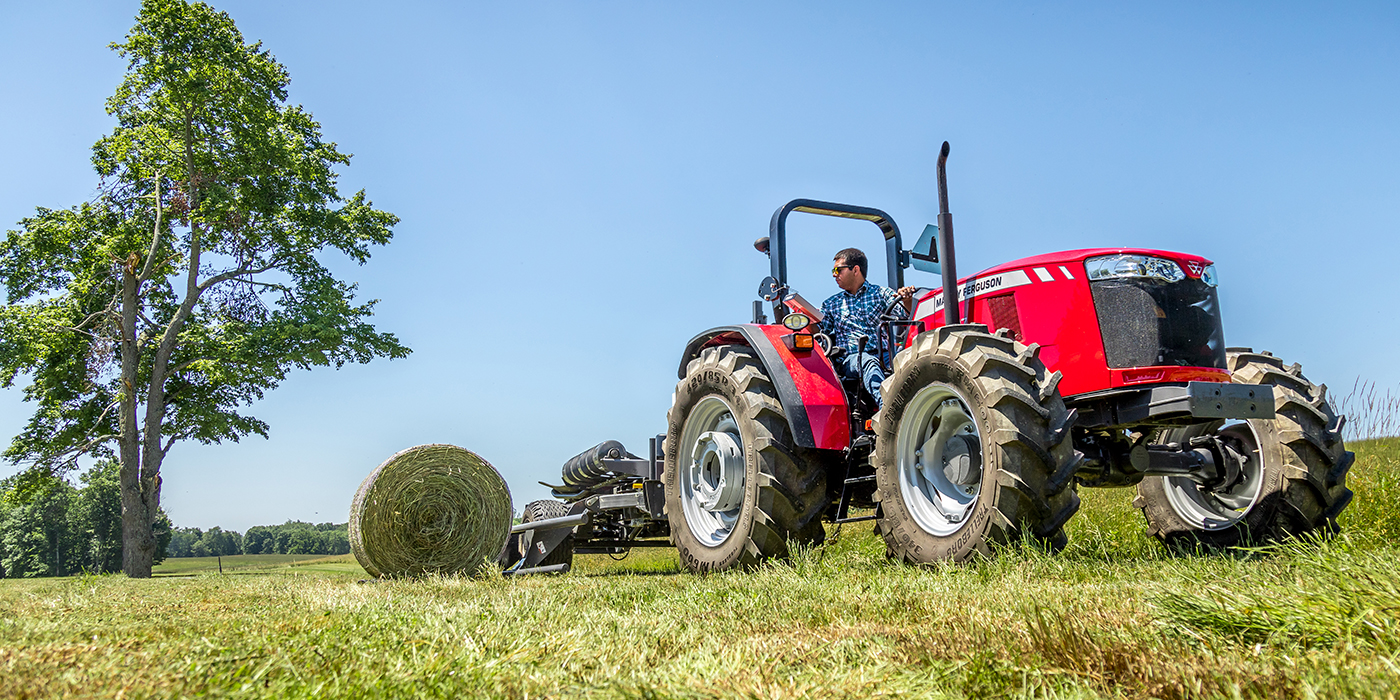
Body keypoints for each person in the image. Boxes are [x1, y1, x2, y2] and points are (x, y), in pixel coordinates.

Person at [820, 248, 916, 409]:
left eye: (838, 270)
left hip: (884, 354)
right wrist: (808, 319)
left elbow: (904, 313)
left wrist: (907, 299)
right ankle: (889, 410)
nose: (834, 274)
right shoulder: (831, 304)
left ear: (855, 269)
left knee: (909, 361)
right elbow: (820, 332)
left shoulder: (880, 293)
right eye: (833, 270)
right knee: (867, 361)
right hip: (851, 358)